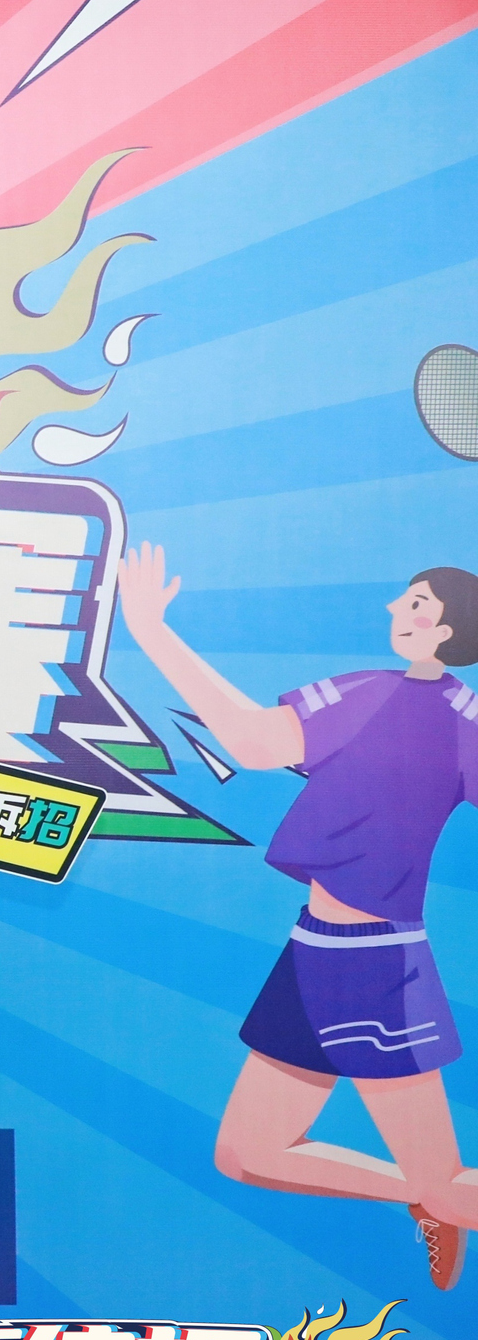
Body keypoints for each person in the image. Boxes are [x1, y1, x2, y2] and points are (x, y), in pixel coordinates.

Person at [120, 545, 478, 1291]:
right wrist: (151, 630)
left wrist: (151, 629)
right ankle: (420, 1196)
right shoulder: (369, 689)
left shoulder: (452, 716)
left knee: (447, 1186)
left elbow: (251, 740)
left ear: (446, 631)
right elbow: (255, 738)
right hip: (314, 951)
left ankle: (433, 1196)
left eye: (416, 603)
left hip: (377, 965)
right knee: (248, 1154)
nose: (396, 608)